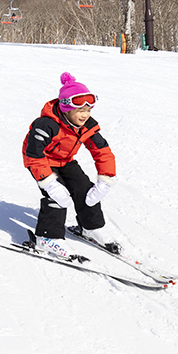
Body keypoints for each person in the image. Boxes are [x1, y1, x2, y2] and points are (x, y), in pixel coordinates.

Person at [21, 71, 119, 260]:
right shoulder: (46, 125)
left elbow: (102, 151)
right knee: (58, 195)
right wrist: (49, 183)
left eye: (89, 110)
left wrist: (106, 179)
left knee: (84, 189)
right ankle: (47, 237)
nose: (85, 115)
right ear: (67, 108)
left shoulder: (86, 126)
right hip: (40, 161)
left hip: (65, 160)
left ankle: (91, 227)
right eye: (80, 110)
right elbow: (33, 154)